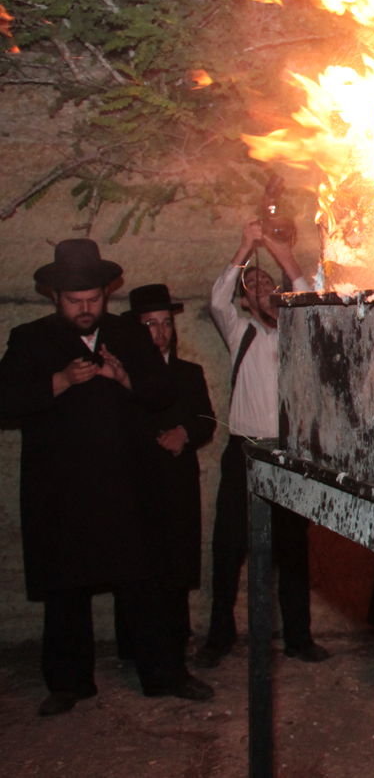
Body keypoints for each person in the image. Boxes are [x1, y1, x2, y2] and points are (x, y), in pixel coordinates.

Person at [0, 240, 212, 715]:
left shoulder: (128, 334)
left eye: (93, 299)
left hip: (127, 485)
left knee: (144, 584)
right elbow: (6, 400)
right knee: (65, 589)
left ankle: (163, 674)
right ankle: (68, 683)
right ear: (55, 297)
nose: (85, 309)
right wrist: (59, 381)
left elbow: (162, 392)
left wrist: (125, 379)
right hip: (61, 490)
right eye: (74, 301)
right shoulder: (30, 339)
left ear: (106, 295)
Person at [193, 219, 330, 668]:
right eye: (252, 285)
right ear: (244, 300)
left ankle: (298, 638)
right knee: (229, 546)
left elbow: (308, 295)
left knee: (292, 550)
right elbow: (218, 299)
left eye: (268, 282)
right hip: (245, 452)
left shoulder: (299, 330)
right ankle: (218, 637)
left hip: (288, 453)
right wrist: (245, 246)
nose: (261, 288)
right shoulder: (240, 332)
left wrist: (279, 252)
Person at [117, 284, 216, 652]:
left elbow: (206, 420)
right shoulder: (121, 373)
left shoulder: (189, 372)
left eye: (166, 323)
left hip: (177, 482)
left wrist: (184, 433)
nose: (160, 333)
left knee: (176, 561)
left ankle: (175, 641)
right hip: (135, 483)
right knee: (136, 563)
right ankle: (133, 645)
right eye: (150, 324)